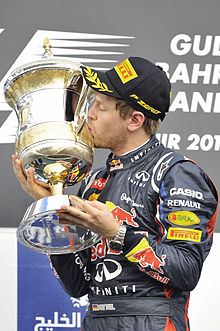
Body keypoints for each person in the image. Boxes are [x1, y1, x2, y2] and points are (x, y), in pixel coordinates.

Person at [12, 57, 218, 331]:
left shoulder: (176, 174)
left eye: (100, 107)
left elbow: (187, 270)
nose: (89, 114)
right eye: (91, 103)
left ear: (134, 120)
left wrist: (118, 233)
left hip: (153, 322)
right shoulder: (95, 180)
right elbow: (78, 285)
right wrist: (50, 202)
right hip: (95, 320)